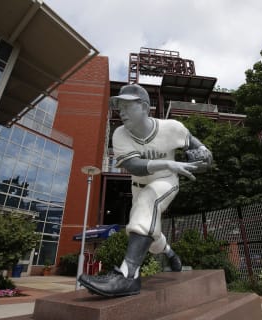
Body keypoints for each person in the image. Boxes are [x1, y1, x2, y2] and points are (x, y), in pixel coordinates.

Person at [78, 83, 212, 297]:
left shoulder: (172, 128)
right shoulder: (120, 134)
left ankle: (128, 275)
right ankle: (170, 253)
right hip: (138, 186)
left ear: (143, 106)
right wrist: (169, 163)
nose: (120, 111)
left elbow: (200, 149)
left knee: (149, 202)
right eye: (118, 107)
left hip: (166, 182)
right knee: (150, 233)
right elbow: (133, 166)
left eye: (126, 106)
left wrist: (204, 156)